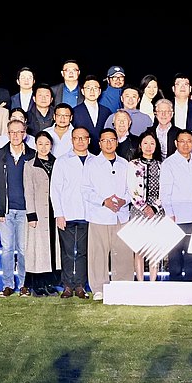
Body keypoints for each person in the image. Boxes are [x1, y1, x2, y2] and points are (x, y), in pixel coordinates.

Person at [82, 128, 133, 299]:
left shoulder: (125, 164)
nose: (109, 143)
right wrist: (104, 201)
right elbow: (86, 190)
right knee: (98, 254)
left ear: (117, 142)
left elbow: (132, 189)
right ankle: (99, 288)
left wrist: (123, 200)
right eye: (105, 140)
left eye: (112, 140)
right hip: (100, 215)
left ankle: (123, 286)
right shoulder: (91, 164)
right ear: (99, 143)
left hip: (121, 214)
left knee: (123, 253)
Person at [0, 118, 35, 297]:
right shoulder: (0, 154)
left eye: (19, 132)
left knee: (24, 249)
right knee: (7, 249)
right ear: (8, 134)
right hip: (7, 211)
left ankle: (25, 284)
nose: (16, 135)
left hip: (25, 210)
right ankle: (8, 284)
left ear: (24, 134)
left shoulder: (32, 155)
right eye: (12, 132)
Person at [50, 127, 91, 299]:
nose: (80, 141)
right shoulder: (62, 161)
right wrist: (59, 213)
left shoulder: (95, 160)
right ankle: (67, 285)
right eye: (76, 138)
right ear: (72, 140)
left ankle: (80, 285)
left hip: (88, 214)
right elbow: (55, 189)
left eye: (84, 138)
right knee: (67, 251)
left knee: (83, 251)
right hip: (67, 212)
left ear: (89, 140)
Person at [160, 129, 192, 281]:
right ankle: (175, 288)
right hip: (176, 217)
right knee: (175, 256)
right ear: (176, 143)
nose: (186, 145)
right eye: (182, 141)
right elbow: (165, 192)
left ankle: (191, 286)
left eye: (189, 141)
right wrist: (170, 214)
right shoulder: (169, 163)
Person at [23, 132, 61, 296]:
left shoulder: (58, 163)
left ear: (51, 145)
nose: (44, 147)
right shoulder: (30, 165)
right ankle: (37, 285)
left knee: (53, 249)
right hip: (38, 211)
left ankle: (50, 284)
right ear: (35, 145)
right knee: (38, 250)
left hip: (54, 211)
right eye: (40, 144)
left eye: (47, 144)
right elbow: (28, 190)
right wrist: (31, 214)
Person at [127, 131, 165, 282]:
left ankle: (153, 282)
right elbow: (131, 188)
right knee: (139, 249)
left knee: (154, 249)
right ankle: (141, 282)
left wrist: (155, 207)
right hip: (138, 210)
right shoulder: (133, 164)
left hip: (157, 211)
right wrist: (143, 207)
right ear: (140, 146)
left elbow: (165, 189)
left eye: (152, 143)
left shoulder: (162, 166)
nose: (149, 147)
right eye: (145, 143)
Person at [73, 75, 113, 154]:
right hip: (82, 154)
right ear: (82, 91)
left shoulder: (106, 112)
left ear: (100, 91)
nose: (92, 91)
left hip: (103, 155)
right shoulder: (74, 112)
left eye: (95, 88)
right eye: (88, 88)